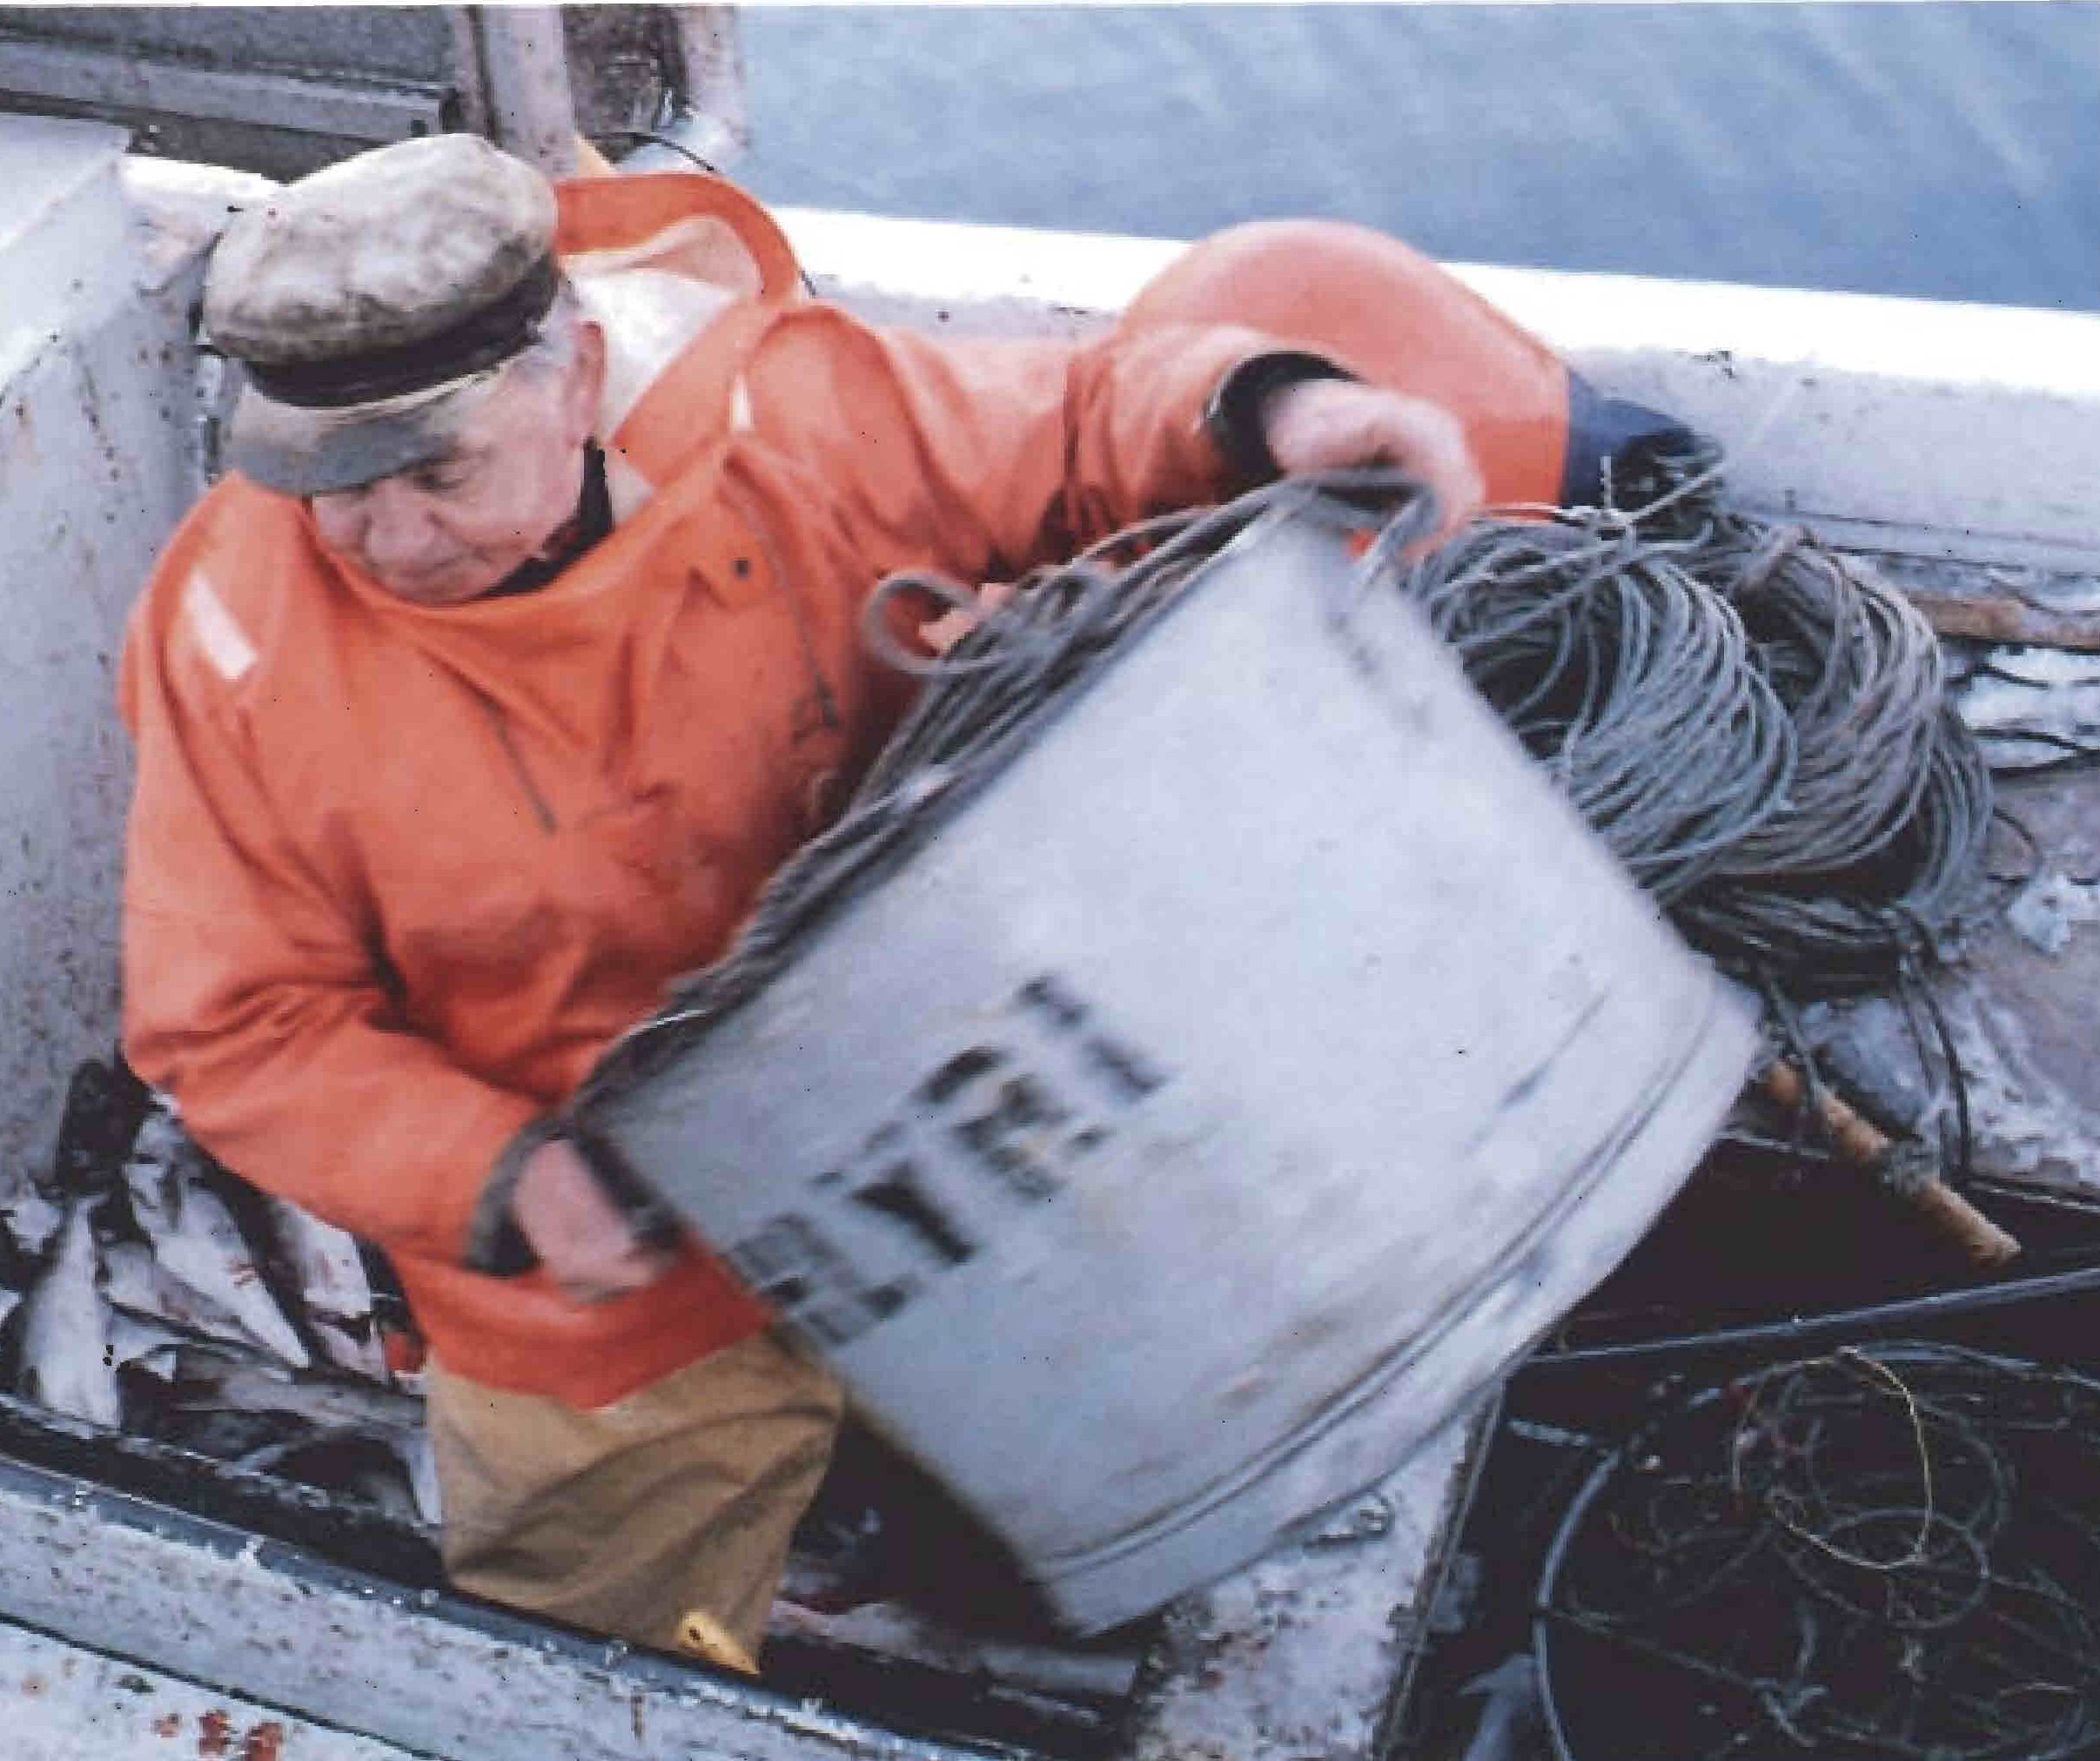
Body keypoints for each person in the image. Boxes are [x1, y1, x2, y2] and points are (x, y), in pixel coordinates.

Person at [115, 133, 1496, 1665]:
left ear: (576, 379)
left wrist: (1281, 408)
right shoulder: (232, 636)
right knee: (607, 1648)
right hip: (606, 1251)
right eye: (331, 489)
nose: (390, 540)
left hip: (945, 1113)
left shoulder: (785, 411)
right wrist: (501, 1180)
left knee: (1060, 1472)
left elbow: (1071, 430)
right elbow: (235, 1024)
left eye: (440, 472)